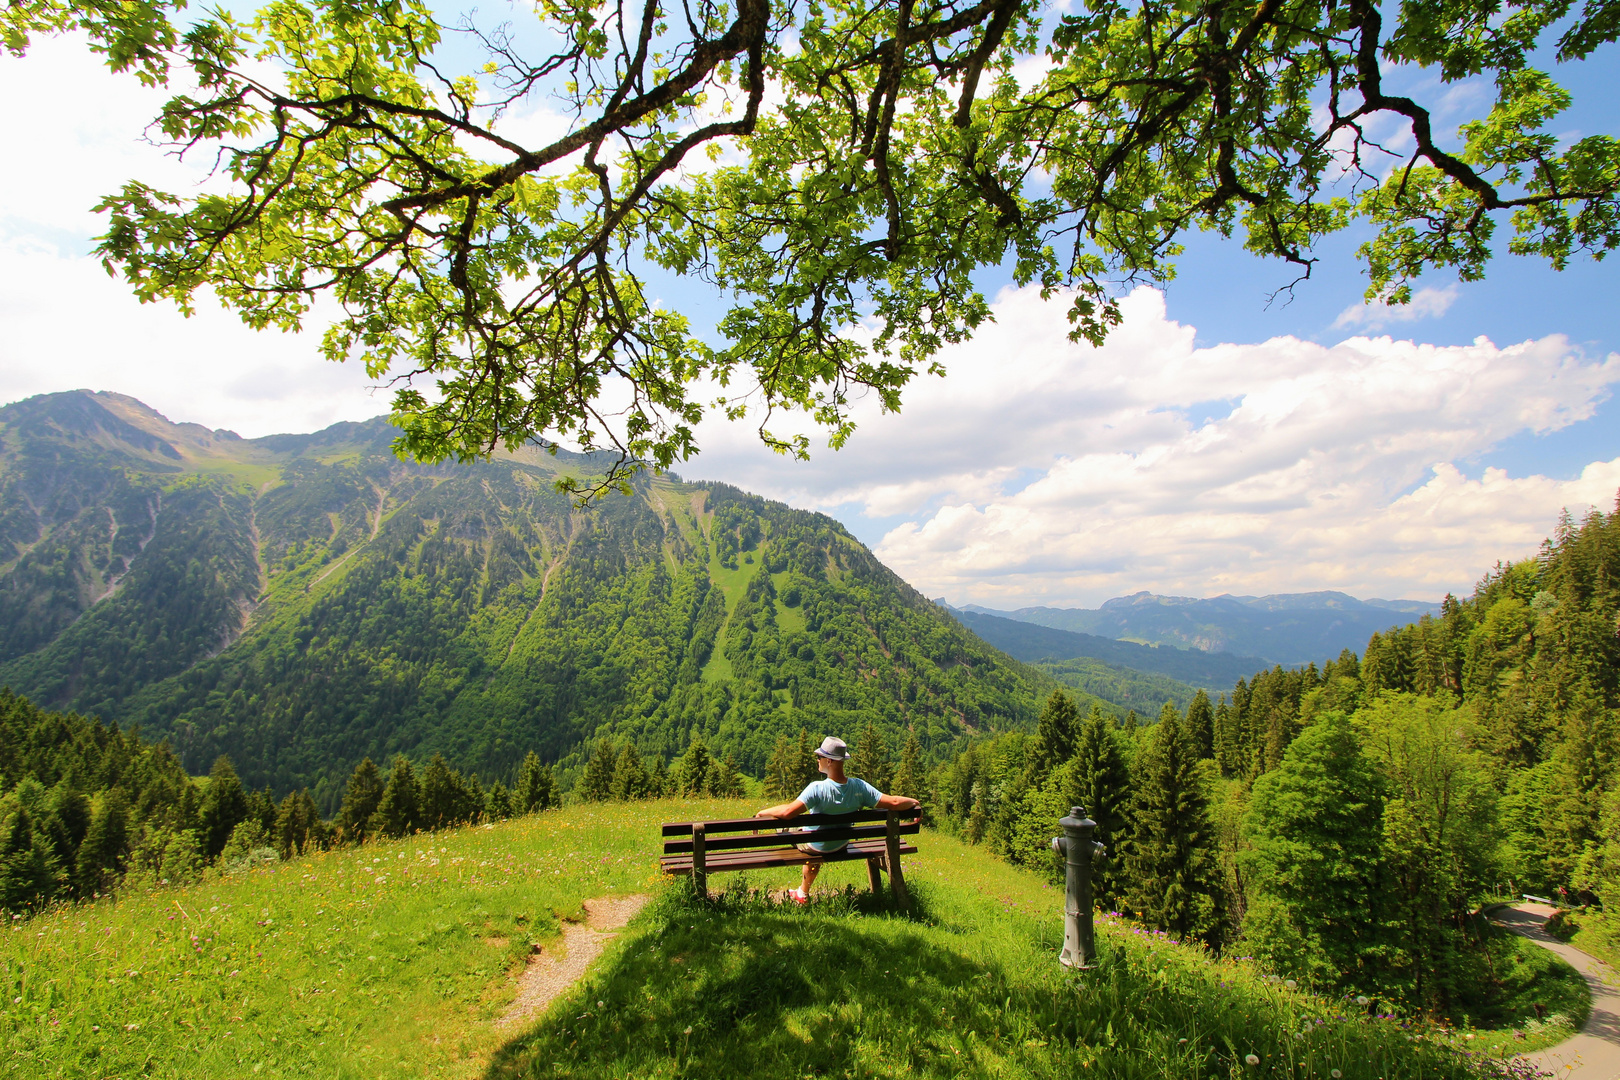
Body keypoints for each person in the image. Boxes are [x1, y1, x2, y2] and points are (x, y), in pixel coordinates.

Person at [754, 735, 920, 904]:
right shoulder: (859, 787)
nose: (817, 760)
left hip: (815, 845)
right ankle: (802, 891)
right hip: (840, 844)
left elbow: (789, 812)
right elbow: (893, 802)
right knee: (814, 834)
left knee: (789, 828)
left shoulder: (816, 789)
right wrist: (914, 803)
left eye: (820, 757)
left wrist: (763, 813)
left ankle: (802, 893)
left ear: (829, 761)